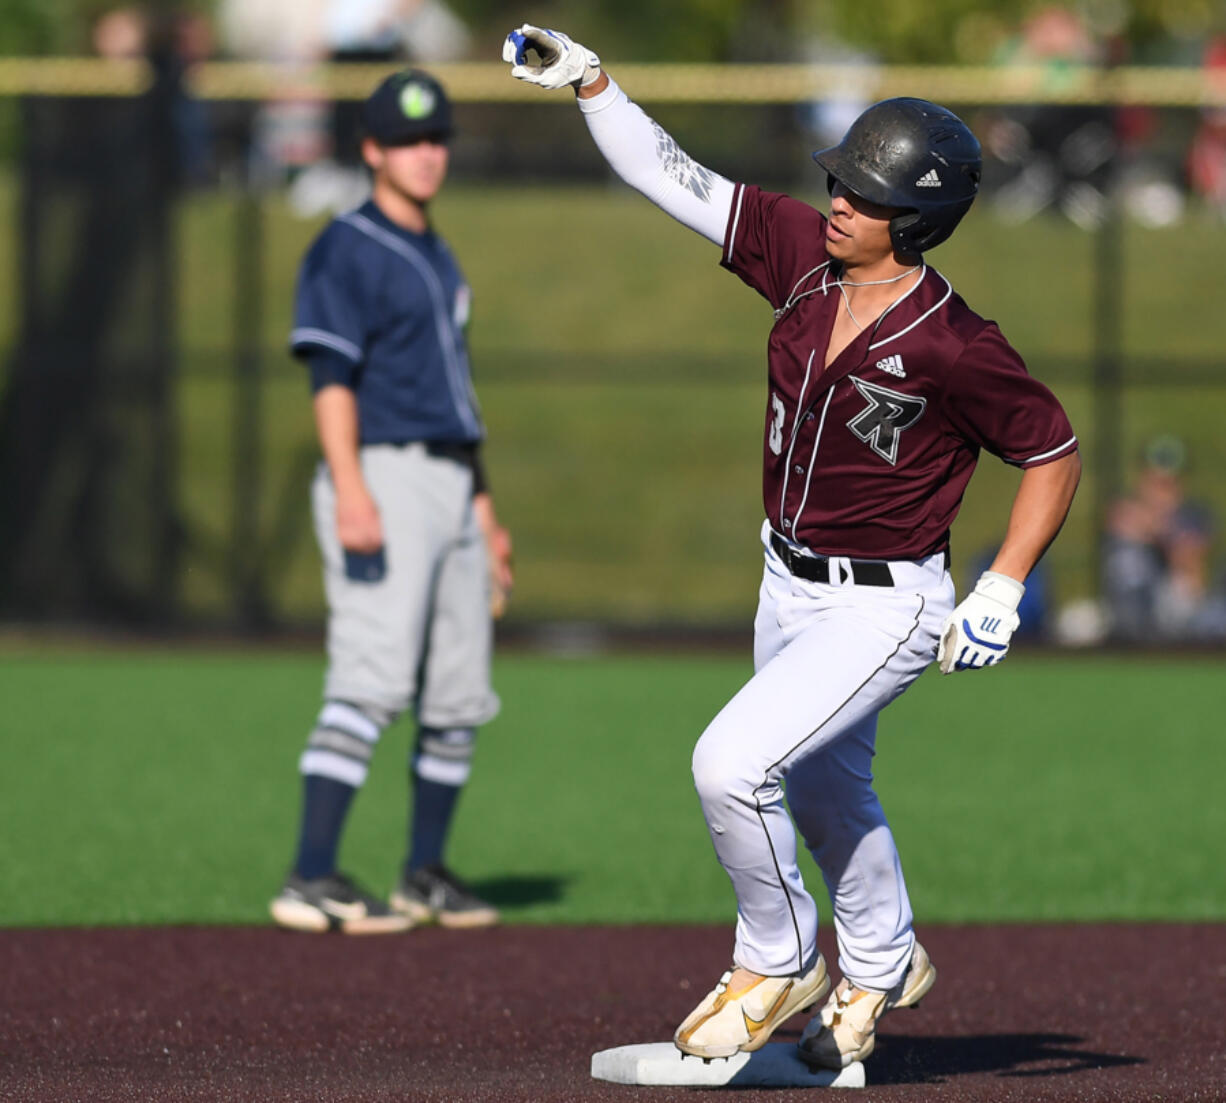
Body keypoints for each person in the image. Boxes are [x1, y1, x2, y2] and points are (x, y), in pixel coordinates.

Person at [503, 25, 1081, 1070]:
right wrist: (592, 83)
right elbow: (671, 178)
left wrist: (1000, 583)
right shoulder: (803, 264)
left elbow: (1052, 451)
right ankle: (879, 962)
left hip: (884, 602)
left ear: (916, 219)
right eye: (840, 181)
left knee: (730, 764)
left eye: (862, 193)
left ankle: (773, 962)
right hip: (786, 581)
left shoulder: (955, 343)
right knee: (822, 791)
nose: (837, 201)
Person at [270, 68, 514, 935]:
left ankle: (424, 872)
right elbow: (331, 376)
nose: (425, 152)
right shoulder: (348, 243)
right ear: (370, 149)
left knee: (456, 692)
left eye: (436, 137)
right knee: (371, 678)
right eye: (406, 139)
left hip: (449, 480)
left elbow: (456, 395)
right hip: (382, 471)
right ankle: (311, 873)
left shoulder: (437, 250)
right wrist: (350, 488)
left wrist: (484, 508)